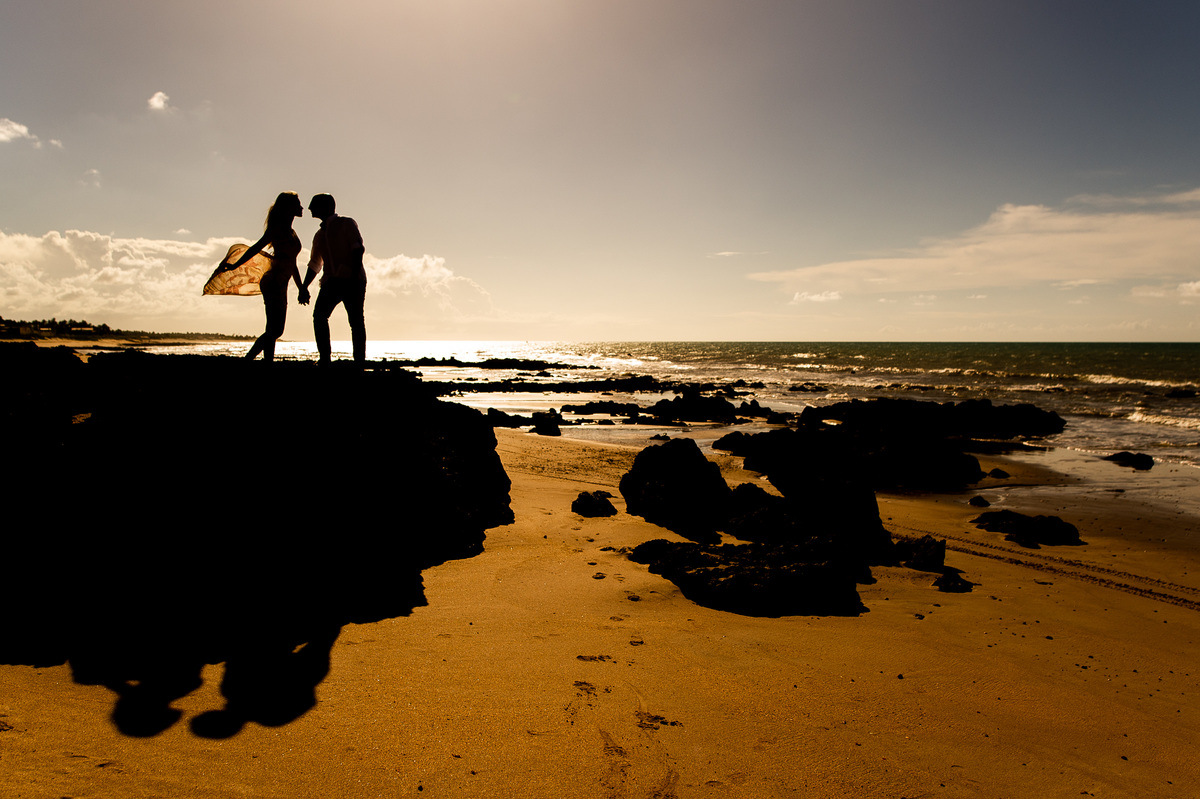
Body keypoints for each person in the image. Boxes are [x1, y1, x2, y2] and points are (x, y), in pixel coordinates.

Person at [227, 191, 308, 362]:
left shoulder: (291, 231)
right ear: (288, 207)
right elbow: (255, 248)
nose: (302, 207)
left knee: (273, 328)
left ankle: (267, 363)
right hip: (274, 281)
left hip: (282, 282)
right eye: (298, 204)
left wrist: (301, 288)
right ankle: (248, 360)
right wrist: (235, 265)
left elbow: (292, 263)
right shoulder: (277, 229)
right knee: (276, 330)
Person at [301, 193, 367, 365]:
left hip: (353, 279)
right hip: (332, 281)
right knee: (320, 316)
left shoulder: (346, 223)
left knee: (356, 321)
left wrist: (353, 275)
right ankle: (325, 359)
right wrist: (304, 287)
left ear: (326, 207)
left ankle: (359, 362)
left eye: (314, 205)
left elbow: (358, 249)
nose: (309, 208)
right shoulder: (319, 235)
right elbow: (315, 264)